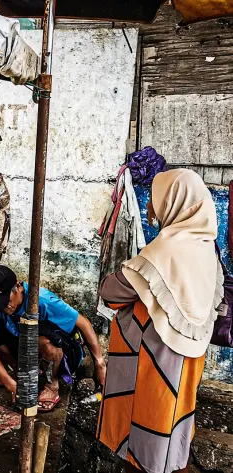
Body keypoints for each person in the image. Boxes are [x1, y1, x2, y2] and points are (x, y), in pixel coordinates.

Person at [97, 169, 224, 473]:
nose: (150, 207)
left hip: (154, 365)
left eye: (156, 199)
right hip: (187, 365)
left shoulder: (164, 252)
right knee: (172, 438)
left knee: (144, 445)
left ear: (175, 202)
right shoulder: (209, 252)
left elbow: (111, 292)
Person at [0, 265, 106, 411]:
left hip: (61, 350)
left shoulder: (42, 300)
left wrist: (99, 363)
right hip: (24, 345)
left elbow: (83, 323)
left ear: (18, 287)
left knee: (43, 341)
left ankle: (52, 385)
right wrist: (12, 386)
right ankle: (20, 374)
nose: (4, 307)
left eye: (6, 301)